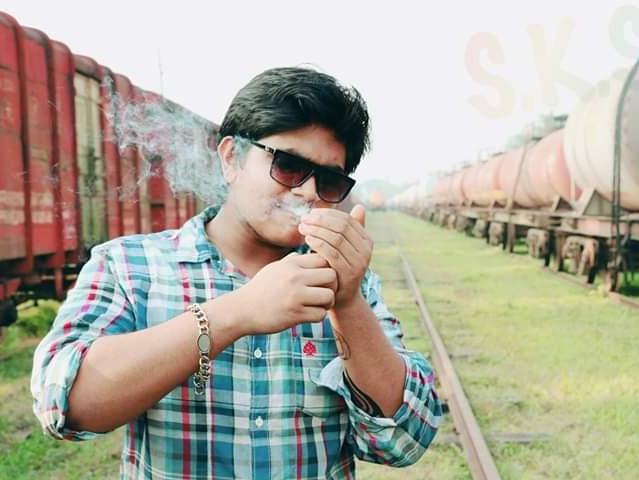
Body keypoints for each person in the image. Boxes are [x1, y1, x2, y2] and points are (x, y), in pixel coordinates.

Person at [31, 66, 443, 479]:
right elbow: (63, 407)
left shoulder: (348, 282)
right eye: (288, 165)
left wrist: (348, 303)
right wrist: (238, 312)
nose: (307, 191)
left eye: (329, 180)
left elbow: (403, 442)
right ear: (231, 158)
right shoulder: (131, 266)